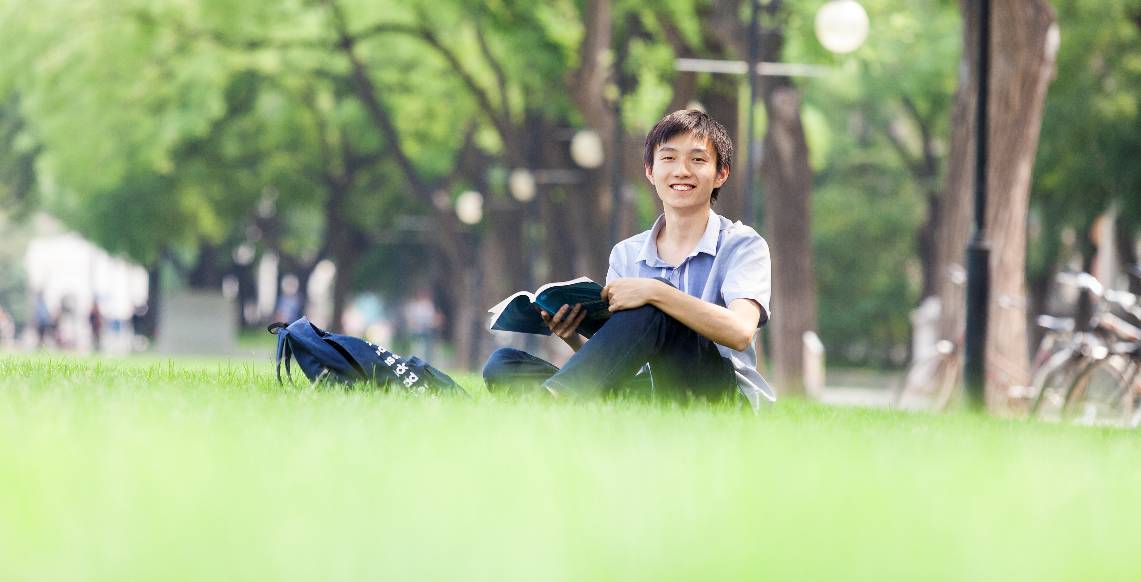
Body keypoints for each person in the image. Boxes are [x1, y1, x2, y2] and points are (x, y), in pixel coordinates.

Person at [482, 110, 774, 408]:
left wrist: (656, 292)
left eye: (697, 160)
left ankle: (548, 403)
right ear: (650, 171)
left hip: (719, 393)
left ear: (720, 174)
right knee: (504, 363)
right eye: (668, 158)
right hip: (647, 391)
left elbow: (740, 332)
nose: (682, 171)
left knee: (655, 306)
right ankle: (558, 400)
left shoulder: (742, 244)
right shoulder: (626, 254)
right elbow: (620, 358)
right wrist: (571, 336)